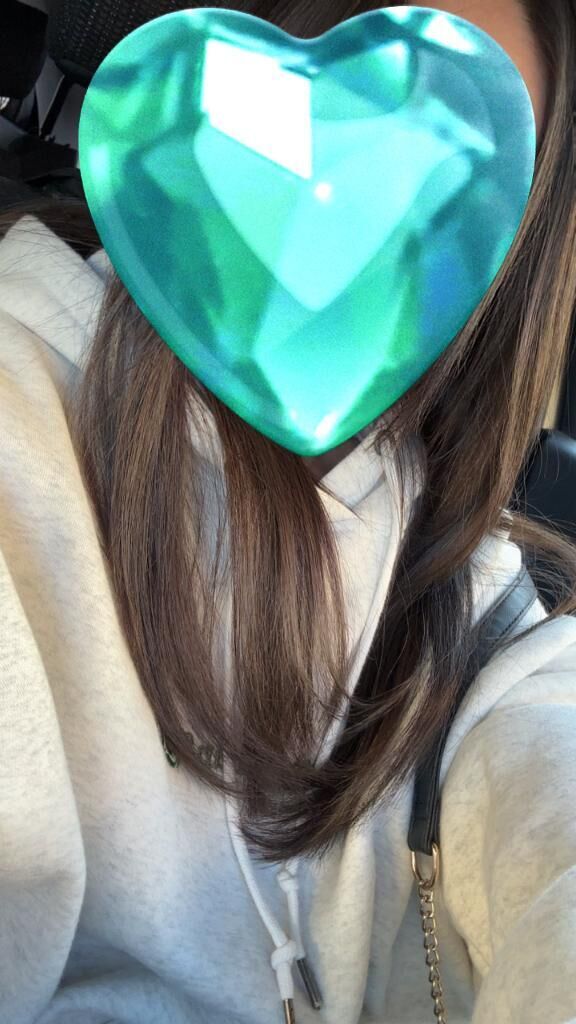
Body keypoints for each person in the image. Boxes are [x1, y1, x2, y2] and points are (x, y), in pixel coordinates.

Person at [0, 1, 575, 1023]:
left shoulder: (473, 587)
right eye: (340, 142)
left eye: (439, 172)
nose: (348, 217)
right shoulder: (18, 430)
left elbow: (546, 767)